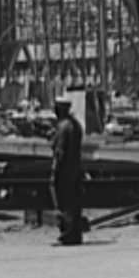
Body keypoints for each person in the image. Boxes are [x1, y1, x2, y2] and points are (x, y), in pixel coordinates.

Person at [50, 95, 84, 246]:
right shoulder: (76, 125)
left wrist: (55, 170)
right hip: (75, 168)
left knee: (64, 202)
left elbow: (60, 152)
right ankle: (75, 233)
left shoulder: (63, 127)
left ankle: (67, 233)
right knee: (75, 202)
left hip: (64, 170)